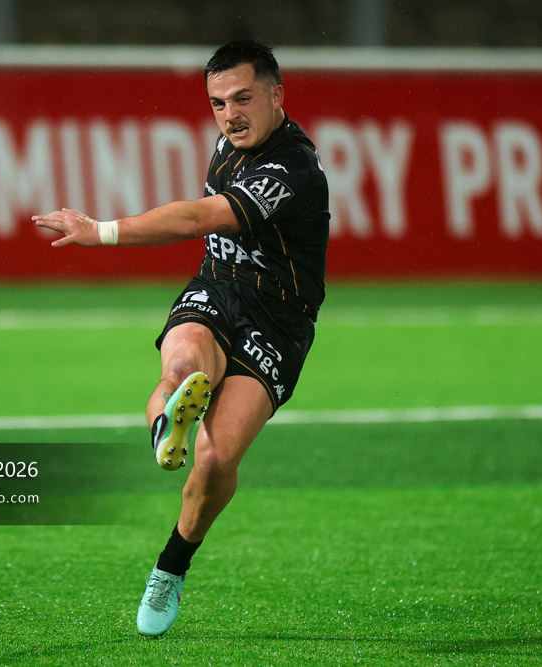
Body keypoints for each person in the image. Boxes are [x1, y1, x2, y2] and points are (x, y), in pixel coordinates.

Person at [33, 40, 330, 637]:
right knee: (180, 371)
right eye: (218, 103)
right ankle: (169, 422)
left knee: (218, 456)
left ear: (277, 95)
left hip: (278, 323)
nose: (230, 115)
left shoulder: (291, 167)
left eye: (243, 98)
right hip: (216, 291)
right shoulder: (231, 141)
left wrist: (102, 231)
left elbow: (197, 218)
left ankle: (171, 567)